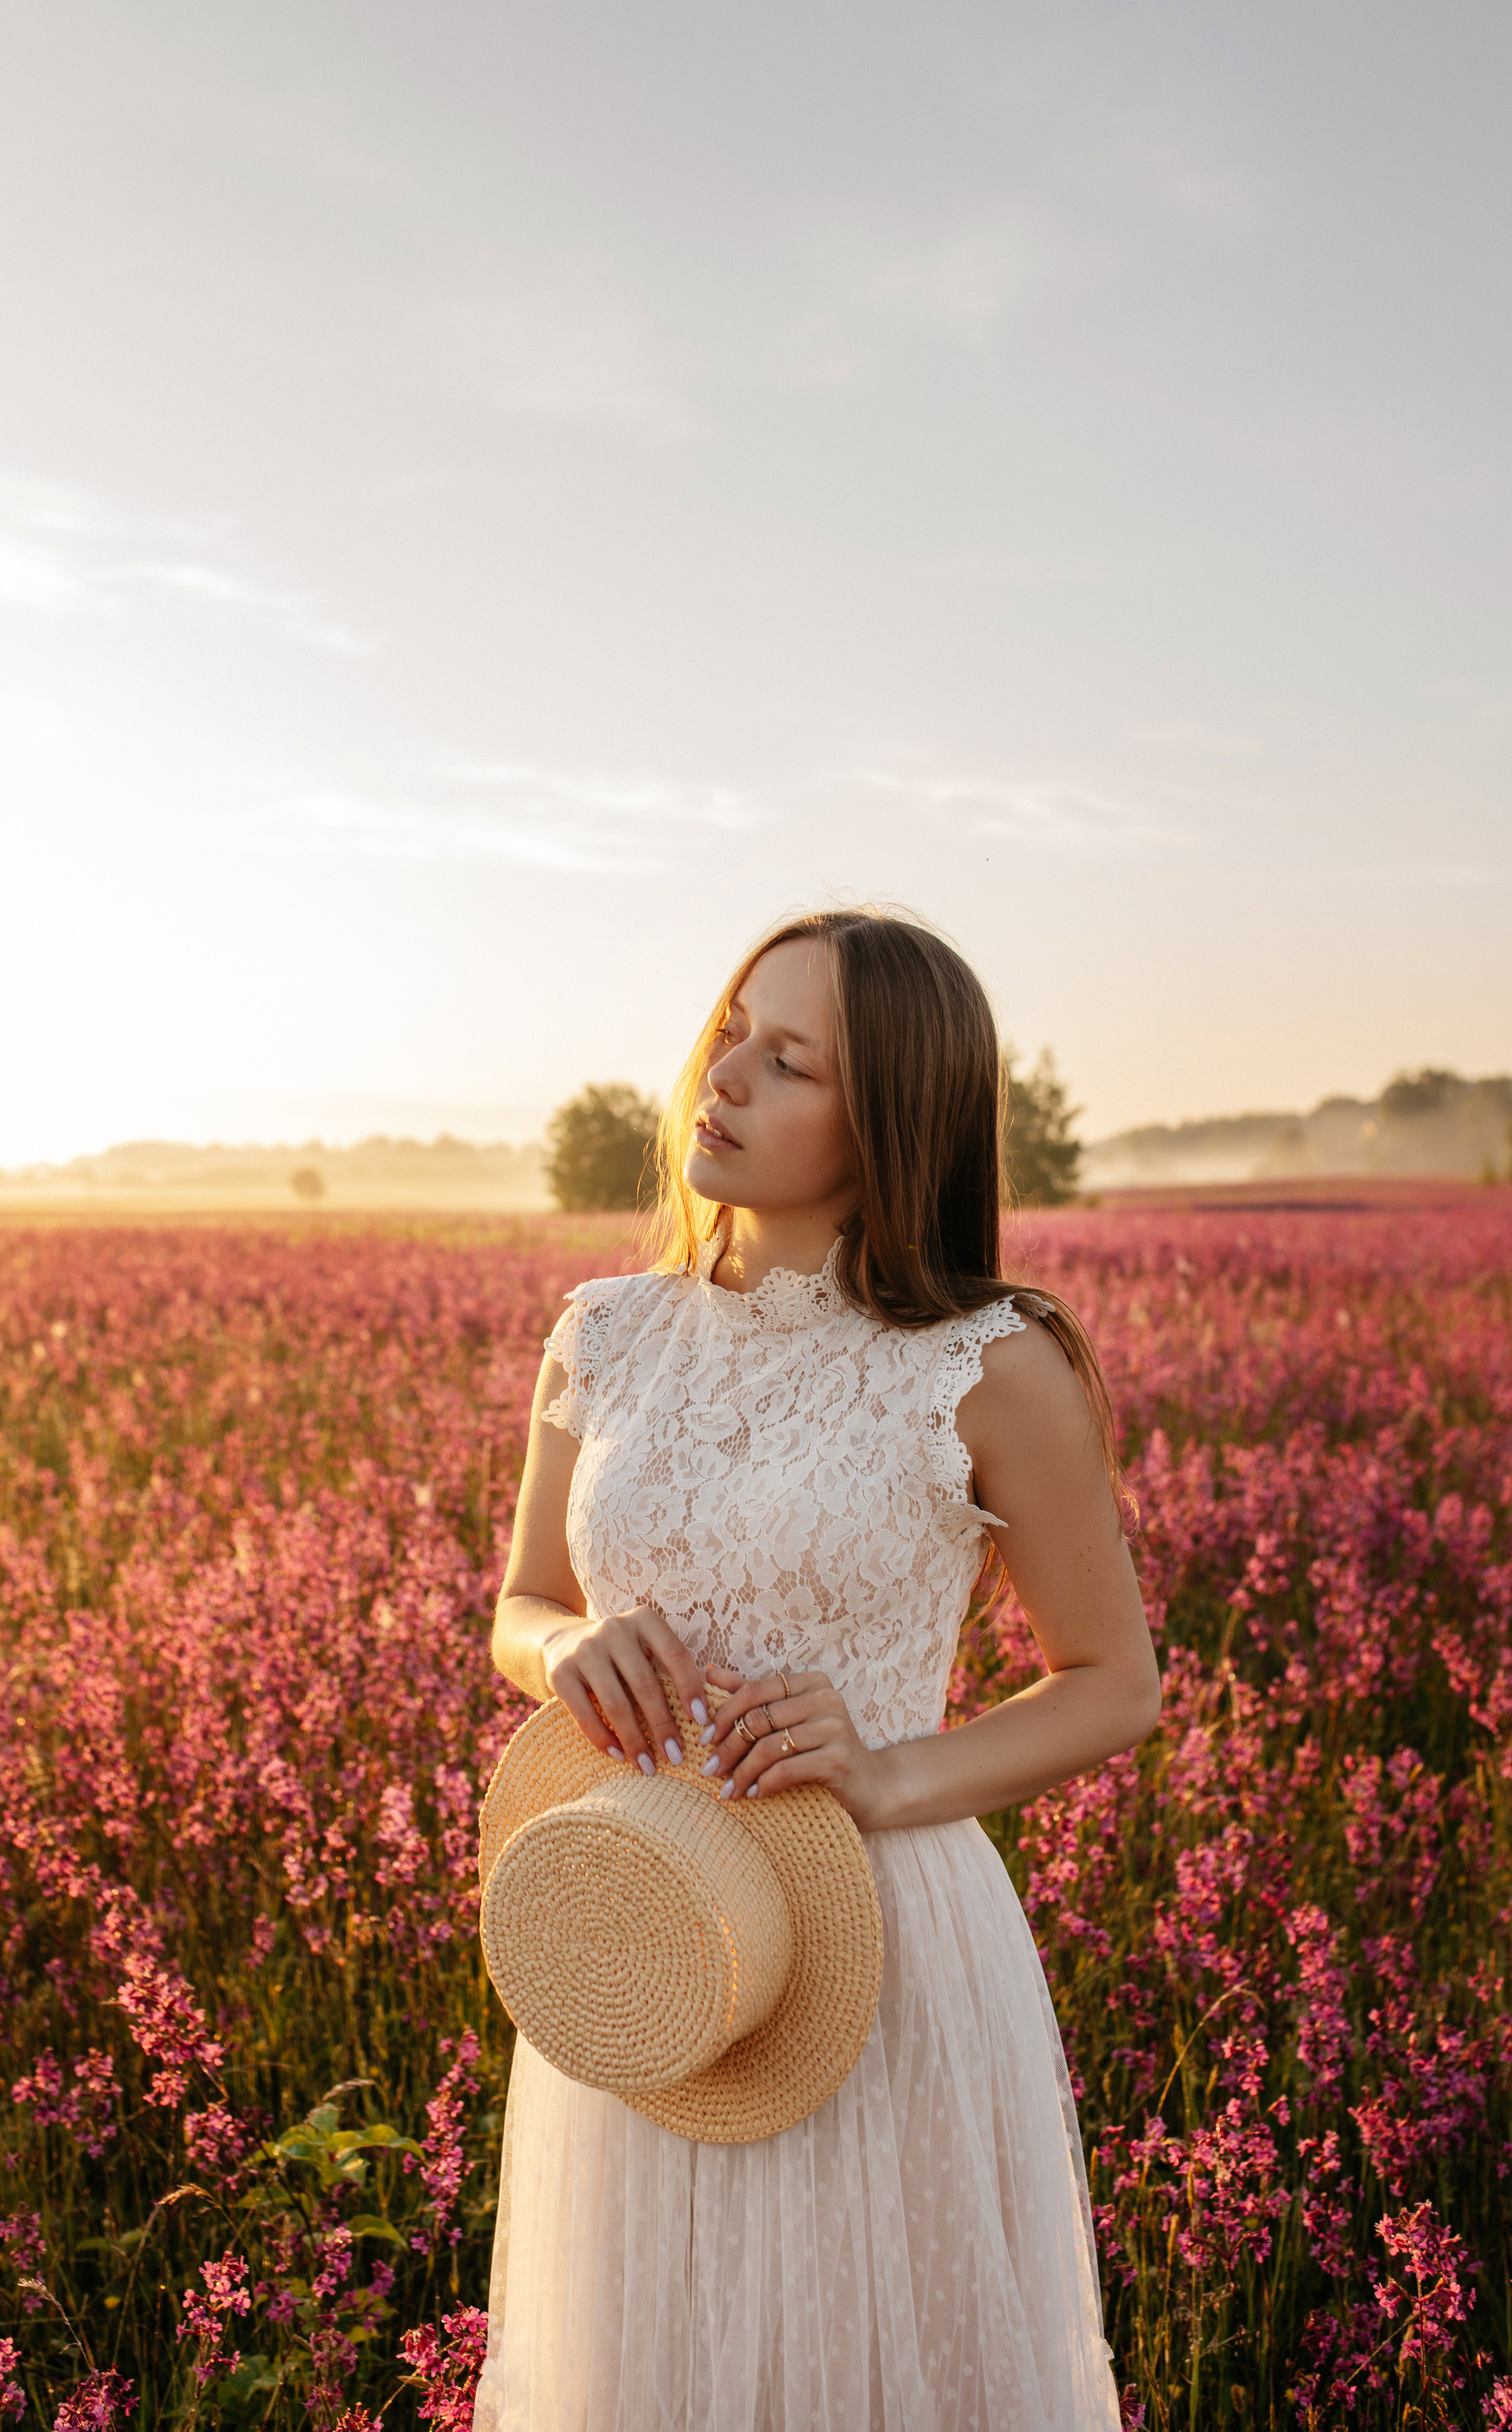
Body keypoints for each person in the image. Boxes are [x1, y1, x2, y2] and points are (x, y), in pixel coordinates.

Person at [477, 908, 1161, 2432]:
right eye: (731, 1029)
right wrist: (566, 1651)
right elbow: (519, 1603)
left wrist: (887, 1769)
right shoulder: (605, 1332)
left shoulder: (989, 1361)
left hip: (878, 1942)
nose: (719, 1077)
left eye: (787, 1062)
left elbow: (1112, 1680)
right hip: (639, 1928)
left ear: (890, 1121)